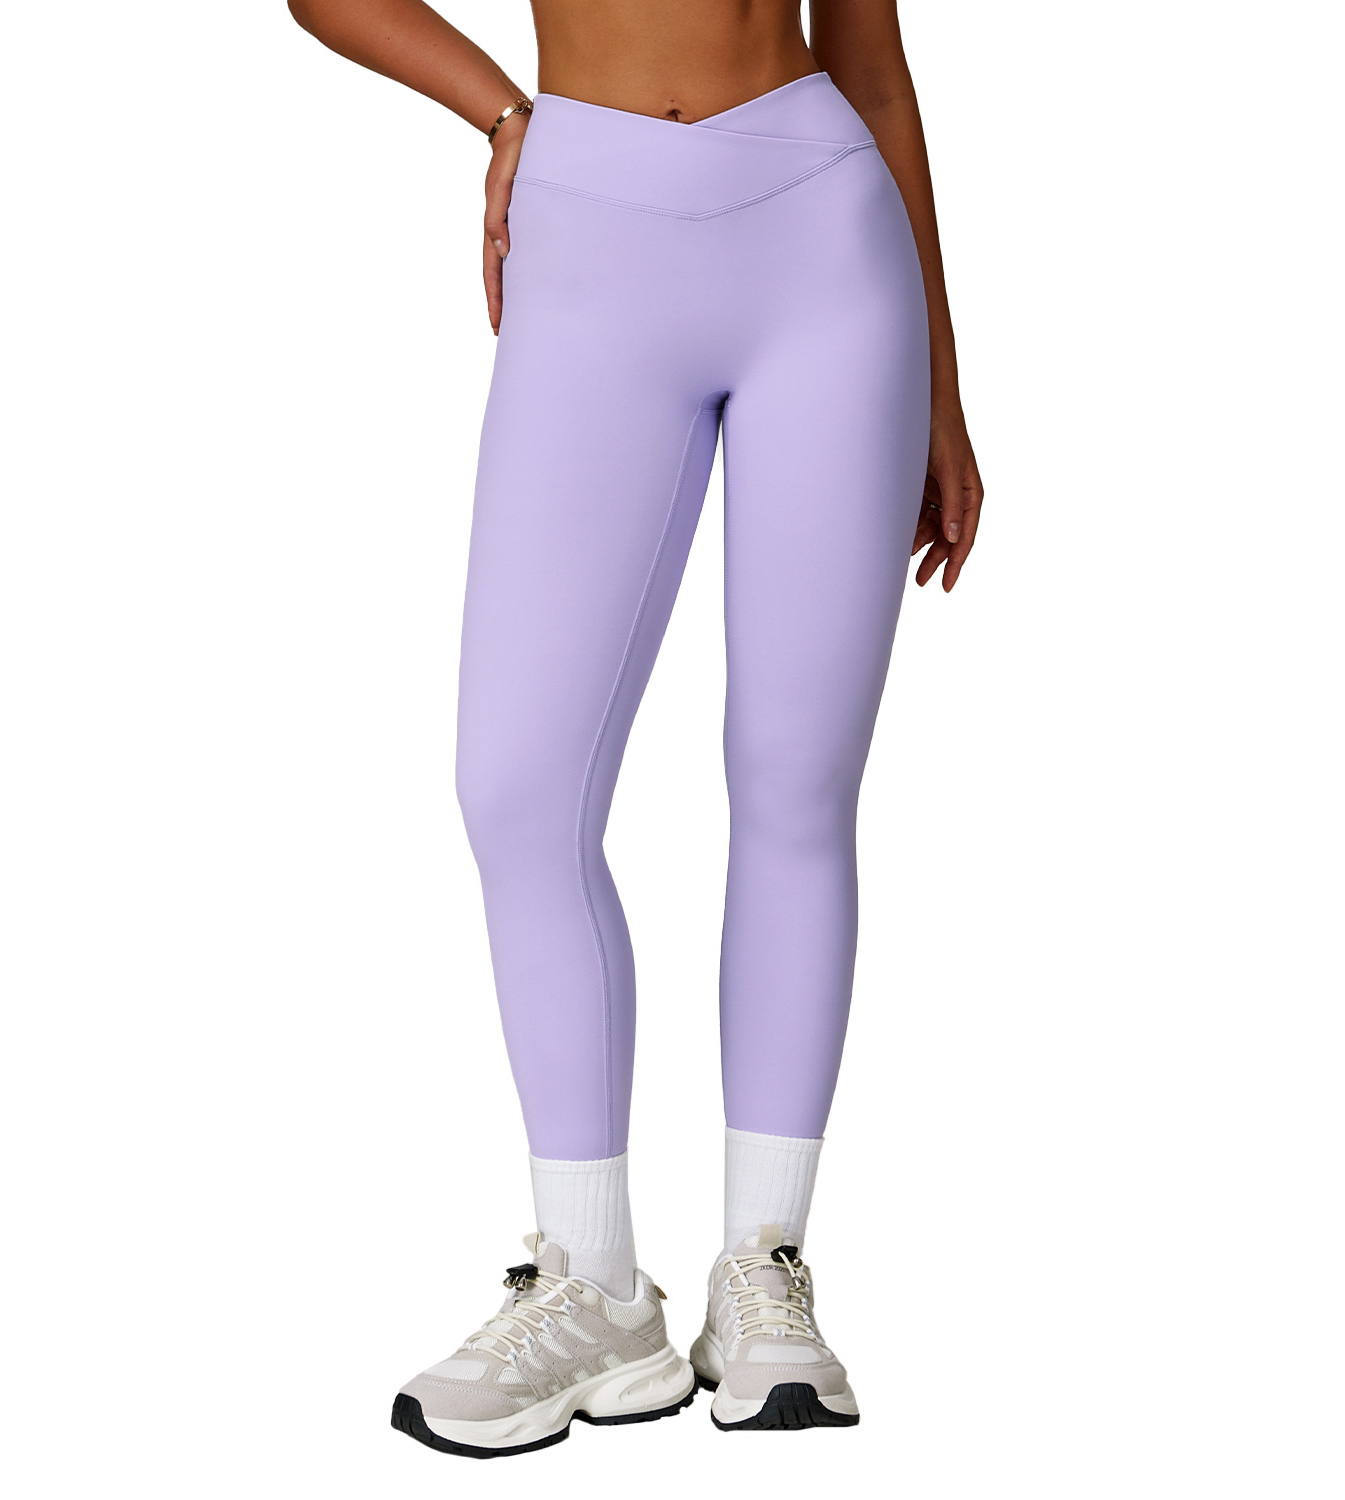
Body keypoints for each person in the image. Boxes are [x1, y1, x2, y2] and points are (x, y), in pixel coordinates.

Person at [289, 0, 984, 1457]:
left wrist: (945, 382)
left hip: (824, 237)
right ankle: (594, 1284)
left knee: (796, 778)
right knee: (518, 789)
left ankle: (765, 1273)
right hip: (588, 230)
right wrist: (498, 110)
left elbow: (869, 55)